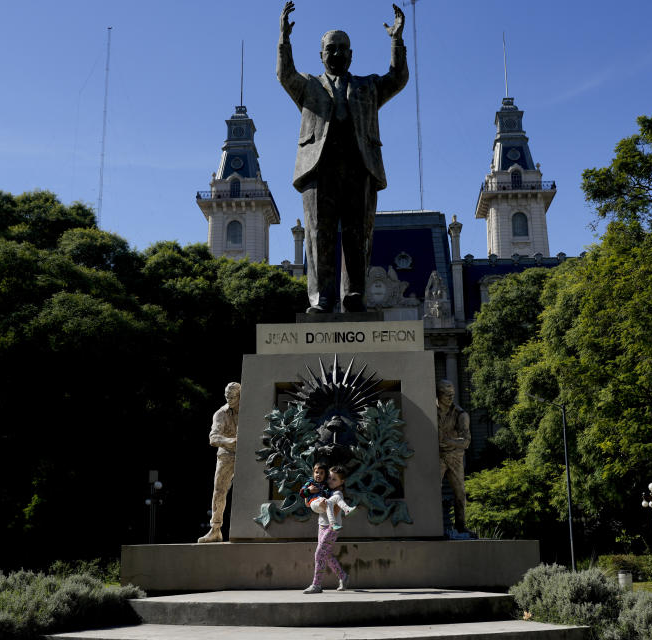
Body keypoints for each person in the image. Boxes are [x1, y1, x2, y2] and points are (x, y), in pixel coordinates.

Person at [277, 1, 409, 313]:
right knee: (318, 234)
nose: (337, 53)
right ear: (321, 55)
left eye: (343, 48)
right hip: (318, 170)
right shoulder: (307, 85)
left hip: (359, 168)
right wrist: (284, 38)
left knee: (357, 235)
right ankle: (321, 298)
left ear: (351, 55)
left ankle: (354, 296)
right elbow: (285, 74)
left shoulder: (367, 86)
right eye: (331, 48)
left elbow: (398, 79)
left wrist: (396, 40)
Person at [198, 382, 240, 543]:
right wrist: (229, 441)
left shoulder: (248, 410)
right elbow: (213, 437)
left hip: (247, 454)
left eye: (233, 396)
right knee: (219, 491)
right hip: (227, 454)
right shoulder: (220, 413)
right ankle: (215, 529)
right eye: (227, 396)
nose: (229, 399)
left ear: (240, 396)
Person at [303, 465, 353, 593]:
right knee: (326, 554)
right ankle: (343, 576)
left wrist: (324, 504)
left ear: (342, 482)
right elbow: (307, 503)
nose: (330, 481)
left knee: (319, 553)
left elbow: (335, 510)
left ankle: (316, 585)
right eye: (329, 478)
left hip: (332, 527)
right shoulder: (325, 489)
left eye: (334, 479)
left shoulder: (337, 493)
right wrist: (310, 493)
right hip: (322, 525)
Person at [437, 379, 471, 533]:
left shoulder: (460, 414)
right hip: (436, 455)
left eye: (452, 395)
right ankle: (434, 526)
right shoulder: (430, 409)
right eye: (446, 395)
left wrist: (447, 441)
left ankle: (461, 526)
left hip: (454, 456)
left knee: (460, 492)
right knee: (432, 490)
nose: (450, 398)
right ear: (438, 394)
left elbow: (466, 441)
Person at [299, 462, 355, 530]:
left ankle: (347, 509)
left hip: (322, 503)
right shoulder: (310, 482)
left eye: (321, 473)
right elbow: (301, 493)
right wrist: (308, 491)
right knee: (327, 502)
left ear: (325, 475)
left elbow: (330, 495)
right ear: (313, 473)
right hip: (314, 503)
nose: (318, 475)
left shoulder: (325, 485)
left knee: (336, 498)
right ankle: (333, 524)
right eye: (316, 472)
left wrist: (338, 489)